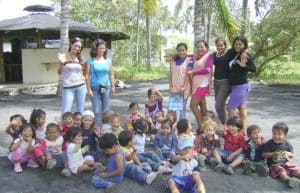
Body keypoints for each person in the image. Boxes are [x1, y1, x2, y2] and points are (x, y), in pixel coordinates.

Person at [227, 36, 256, 134]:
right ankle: (243, 130)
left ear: (244, 45)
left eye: (240, 44)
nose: (238, 46)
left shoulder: (245, 55)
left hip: (241, 86)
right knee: (241, 107)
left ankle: (233, 130)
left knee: (231, 107)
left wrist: (244, 66)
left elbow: (253, 68)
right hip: (235, 86)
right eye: (236, 44)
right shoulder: (234, 53)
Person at [85, 38, 115, 125]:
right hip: (94, 88)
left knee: (106, 110)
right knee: (97, 110)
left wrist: (113, 87)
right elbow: (86, 75)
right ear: (95, 49)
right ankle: (96, 129)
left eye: (103, 48)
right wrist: (88, 89)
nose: (102, 50)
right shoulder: (90, 60)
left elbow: (111, 74)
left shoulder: (107, 60)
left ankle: (106, 128)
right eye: (100, 48)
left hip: (106, 87)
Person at [262, 122, 300, 188]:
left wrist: (288, 154)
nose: (276, 136)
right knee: (281, 171)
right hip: (274, 164)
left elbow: (293, 155)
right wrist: (273, 154)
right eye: (274, 133)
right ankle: (288, 180)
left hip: (286, 164)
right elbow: (264, 154)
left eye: (279, 134)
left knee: (297, 170)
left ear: (285, 135)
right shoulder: (269, 143)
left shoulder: (287, 144)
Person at [58, 37, 87, 116]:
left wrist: (84, 78)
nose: (77, 48)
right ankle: (64, 128)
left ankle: (80, 128)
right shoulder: (63, 56)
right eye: (75, 46)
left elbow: (85, 71)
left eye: (79, 47)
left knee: (80, 110)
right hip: (68, 88)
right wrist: (62, 64)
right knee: (66, 110)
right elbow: (59, 72)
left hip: (81, 87)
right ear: (71, 45)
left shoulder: (80, 58)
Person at [190, 40, 214, 130]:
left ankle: (201, 126)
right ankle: (207, 126)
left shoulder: (209, 56)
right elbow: (186, 55)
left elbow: (207, 69)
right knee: (203, 107)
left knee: (193, 105)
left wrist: (193, 72)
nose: (200, 49)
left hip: (202, 85)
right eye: (198, 47)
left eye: (202, 47)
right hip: (196, 85)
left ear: (206, 48)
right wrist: (175, 56)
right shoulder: (196, 57)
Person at [169, 43, 194, 119]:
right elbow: (170, 74)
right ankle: (171, 128)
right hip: (174, 89)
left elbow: (188, 74)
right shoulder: (173, 61)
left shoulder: (190, 60)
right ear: (177, 51)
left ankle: (182, 129)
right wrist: (170, 86)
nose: (181, 52)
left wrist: (184, 87)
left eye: (183, 50)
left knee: (182, 110)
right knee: (172, 110)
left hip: (184, 89)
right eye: (179, 50)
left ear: (186, 50)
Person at [212, 38, 232, 125]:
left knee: (218, 104)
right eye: (218, 45)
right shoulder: (214, 54)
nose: (220, 47)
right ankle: (223, 122)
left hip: (225, 82)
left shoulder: (229, 54)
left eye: (222, 45)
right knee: (219, 105)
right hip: (216, 82)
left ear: (225, 45)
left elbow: (241, 49)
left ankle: (225, 124)